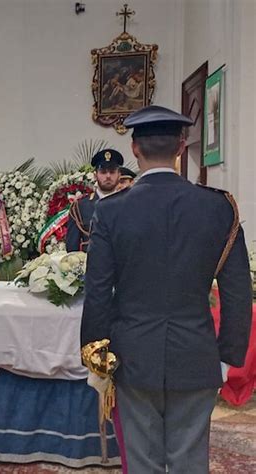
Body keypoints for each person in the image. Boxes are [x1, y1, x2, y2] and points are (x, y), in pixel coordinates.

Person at [81, 105, 253, 473]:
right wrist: (227, 359)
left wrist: (97, 354)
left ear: (134, 149)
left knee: (142, 461)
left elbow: (97, 290)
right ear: (180, 146)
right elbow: (238, 291)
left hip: (132, 356)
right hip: (197, 352)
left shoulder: (110, 211)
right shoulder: (219, 207)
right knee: (190, 461)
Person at [66, 149, 123, 252]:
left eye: (112, 172)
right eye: (103, 172)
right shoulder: (80, 207)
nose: (108, 176)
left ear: (119, 174)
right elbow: (72, 250)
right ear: (95, 175)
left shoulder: (129, 204)